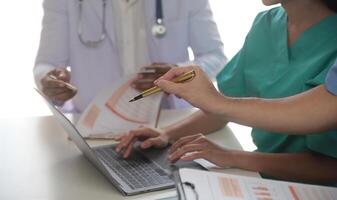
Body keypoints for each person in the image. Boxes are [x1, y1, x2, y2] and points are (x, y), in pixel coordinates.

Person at [115, 0, 337, 185]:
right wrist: (166, 134)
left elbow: (330, 167)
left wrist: (232, 157)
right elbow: (223, 107)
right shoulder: (266, 24)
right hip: (259, 179)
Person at [33, 0, 226, 111]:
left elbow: (215, 57)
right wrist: (50, 80)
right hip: (92, 125)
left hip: (169, 123)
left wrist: (178, 74)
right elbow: (47, 64)